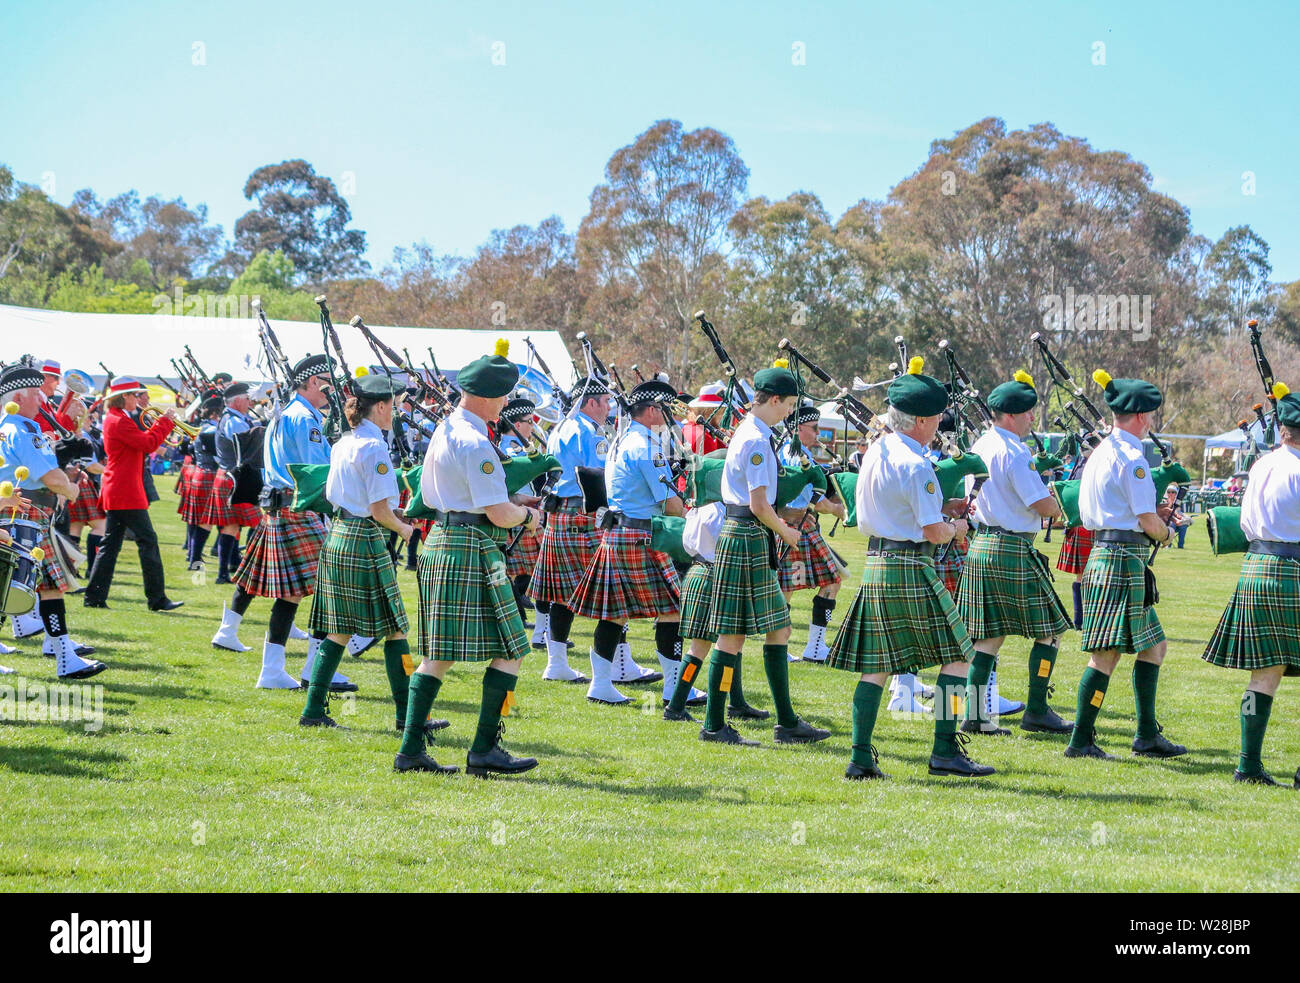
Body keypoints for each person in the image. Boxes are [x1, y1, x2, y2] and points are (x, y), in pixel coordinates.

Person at [826, 358, 994, 779]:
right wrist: (957, 525)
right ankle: (943, 751)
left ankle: (860, 758)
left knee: (877, 664)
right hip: (911, 564)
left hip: (878, 563)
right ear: (920, 420)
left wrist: (941, 509)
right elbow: (934, 532)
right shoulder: (918, 464)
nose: (939, 423)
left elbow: (900, 508)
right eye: (936, 417)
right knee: (959, 656)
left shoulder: (877, 452)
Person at [399, 340, 541, 776]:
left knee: (437, 654)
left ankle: (410, 751)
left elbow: (430, 493)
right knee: (513, 646)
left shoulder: (445, 429)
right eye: (501, 396)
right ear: (485, 397)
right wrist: (528, 516)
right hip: (472, 547)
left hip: (441, 539)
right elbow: (499, 514)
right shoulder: (476, 443)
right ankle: (482, 749)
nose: (503, 405)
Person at [697, 360, 829, 747]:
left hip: (749, 538)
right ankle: (714, 724)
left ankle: (787, 722)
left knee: (780, 628)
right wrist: (786, 531)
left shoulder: (755, 432)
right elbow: (758, 504)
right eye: (788, 405)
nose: (790, 412)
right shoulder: (755, 439)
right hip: (747, 535)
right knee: (732, 638)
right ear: (772, 400)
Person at [1064, 370, 1185, 761]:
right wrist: (1165, 532)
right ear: (1143, 417)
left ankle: (1147, 735)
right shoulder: (1133, 458)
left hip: (1106, 553)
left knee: (1155, 646)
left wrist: (1155, 516)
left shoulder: (1099, 452)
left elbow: (1119, 510)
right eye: (1149, 414)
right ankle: (1081, 741)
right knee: (1105, 655)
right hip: (1121, 560)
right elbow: (1148, 521)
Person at [954, 371, 1073, 737]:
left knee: (987, 637)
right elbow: (1039, 503)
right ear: (1010, 415)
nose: (1031, 419)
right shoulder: (1014, 450)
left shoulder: (981, 445)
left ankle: (973, 715)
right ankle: (1036, 709)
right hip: (1011, 548)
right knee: (1051, 631)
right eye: (1027, 413)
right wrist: (1058, 503)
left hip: (982, 544)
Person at [230, 355, 357, 692]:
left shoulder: (287, 414)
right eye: (328, 385)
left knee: (290, 596)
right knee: (331, 586)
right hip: (299, 508)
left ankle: (272, 670)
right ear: (313, 383)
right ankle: (316, 668)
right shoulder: (306, 420)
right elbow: (319, 472)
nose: (332, 393)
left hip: (281, 508)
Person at [299, 374, 415, 730]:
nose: (394, 413)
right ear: (380, 406)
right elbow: (380, 511)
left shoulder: (343, 442)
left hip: (339, 535)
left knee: (339, 629)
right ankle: (408, 717)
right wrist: (405, 529)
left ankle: (313, 711)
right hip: (364, 538)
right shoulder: (375, 448)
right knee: (396, 629)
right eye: (392, 406)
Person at [1201, 389, 1300, 786]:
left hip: (1256, 566)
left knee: (1265, 672)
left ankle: (1248, 766)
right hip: (1294, 568)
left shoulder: (1261, 466)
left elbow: (1243, 524)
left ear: (1281, 428)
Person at [568, 379, 686, 705]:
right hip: (640, 535)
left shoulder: (620, 440)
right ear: (651, 410)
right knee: (673, 609)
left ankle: (600, 684)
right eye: (664, 408)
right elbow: (670, 503)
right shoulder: (647, 446)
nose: (667, 415)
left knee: (613, 613)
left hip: (618, 533)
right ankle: (674, 688)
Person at [0, 364, 106, 679]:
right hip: (25, 514)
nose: (41, 399)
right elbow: (50, 477)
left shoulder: (8, 426)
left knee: (47, 587)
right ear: (18, 395)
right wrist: (71, 488)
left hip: (23, 514)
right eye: (35, 393)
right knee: (10, 589)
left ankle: (64, 656)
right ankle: (64, 656)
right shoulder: (22, 429)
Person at [528, 377, 613, 684]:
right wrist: (607, 514)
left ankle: (557, 663)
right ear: (590, 402)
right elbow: (597, 476)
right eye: (604, 401)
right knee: (611, 587)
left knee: (561, 592)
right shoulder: (590, 432)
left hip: (559, 511)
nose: (608, 407)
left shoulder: (560, 428)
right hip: (584, 511)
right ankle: (619, 664)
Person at [81, 378, 183, 612]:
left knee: (111, 545)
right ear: (124, 396)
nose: (139, 399)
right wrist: (165, 422)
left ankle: (94, 597)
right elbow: (148, 444)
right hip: (124, 490)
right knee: (147, 541)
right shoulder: (118, 420)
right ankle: (156, 599)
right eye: (135, 395)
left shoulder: (119, 418)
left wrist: (160, 424)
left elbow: (141, 442)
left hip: (121, 489)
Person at [777, 403, 846, 663]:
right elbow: (815, 501)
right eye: (815, 428)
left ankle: (812, 646)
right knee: (788, 588)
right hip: (795, 525)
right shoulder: (797, 455)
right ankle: (786, 647)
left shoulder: (792, 450)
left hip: (799, 525)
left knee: (827, 581)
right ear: (798, 429)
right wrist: (840, 510)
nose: (819, 434)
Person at [203, 382, 262, 584]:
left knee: (232, 526)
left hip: (231, 476)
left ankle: (226, 571)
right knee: (239, 525)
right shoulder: (235, 422)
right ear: (237, 401)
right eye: (246, 398)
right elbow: (248, 448)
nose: (250, 402)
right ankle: (234, 570)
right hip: (235, 478)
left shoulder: (235, 418)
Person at [497, 397, 544, 640]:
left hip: (523, 512)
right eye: (529, 422)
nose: (532, 427)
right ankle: (516, 615)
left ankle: (519, 614)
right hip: (516, 513)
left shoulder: (516, 446)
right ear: (516, 424)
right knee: (515, 571)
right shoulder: (511, 448)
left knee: (523, 570)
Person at [182, 397, 222, 570]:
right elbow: (218, 457)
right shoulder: (211, 430)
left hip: (201, 473)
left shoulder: (204, 427)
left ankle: (194, 557)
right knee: (206, 520)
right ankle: (195, 559)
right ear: (215, 413)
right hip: (210, 474)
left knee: (199, 519)